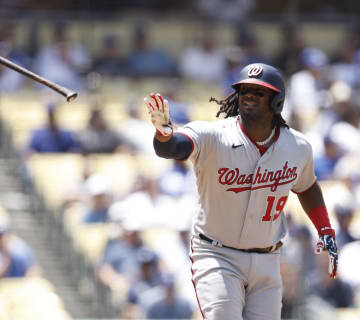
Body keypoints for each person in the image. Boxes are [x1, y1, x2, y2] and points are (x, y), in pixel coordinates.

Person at [143, 63, 338, 319]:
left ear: (277, 101)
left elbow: (307, 187)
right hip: (216, 254)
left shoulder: (297, 147)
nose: (248, 95)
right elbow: (171, 148)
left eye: (259, 92)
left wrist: (325, 229)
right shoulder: (213, 135)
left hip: (268, 259)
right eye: (244, 89)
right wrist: (165, 135)